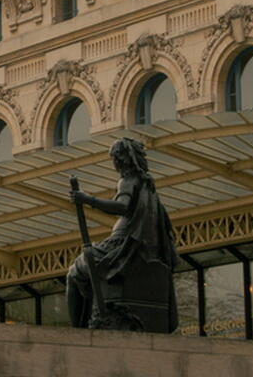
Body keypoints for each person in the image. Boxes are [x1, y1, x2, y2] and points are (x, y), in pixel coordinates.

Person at [66, 137, 178, 331]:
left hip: (121, 246)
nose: (115, 164)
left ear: (122, 159)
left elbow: (122, 207)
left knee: (74, 272)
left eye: (115, 159)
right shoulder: (148, 187)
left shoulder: (127, 181)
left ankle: (78, 331)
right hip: (133, 245)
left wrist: (88, 199)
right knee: (87, 270)